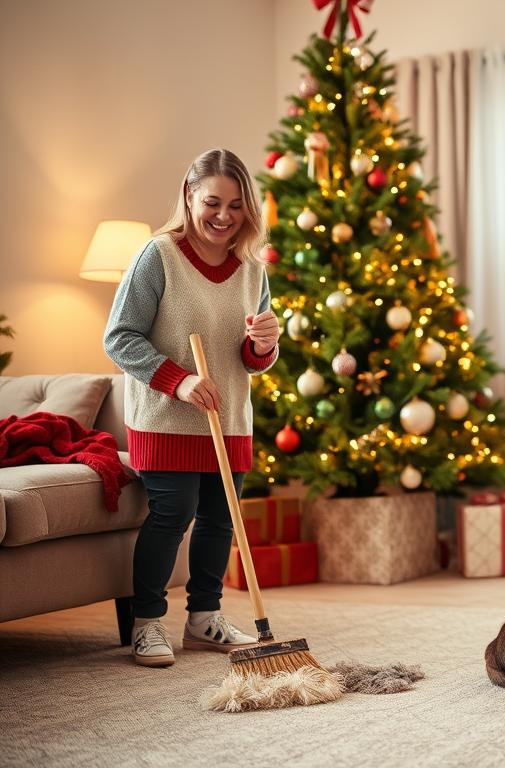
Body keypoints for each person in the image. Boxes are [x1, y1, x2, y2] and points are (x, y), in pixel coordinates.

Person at [104, 148, 280, 667]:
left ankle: (205, 619)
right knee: (173, 512)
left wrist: (265, 345)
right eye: (212, 203)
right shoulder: (157, 255)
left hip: (229, 417)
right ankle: (147, 623)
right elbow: (120, 337)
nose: (224, 216)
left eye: (236, 205)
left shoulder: (252, 269)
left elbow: (251, 359)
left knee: (220, 519)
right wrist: (178, 382)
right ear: (189, 196)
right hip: (166, 417)